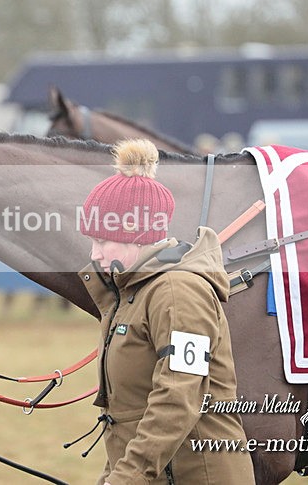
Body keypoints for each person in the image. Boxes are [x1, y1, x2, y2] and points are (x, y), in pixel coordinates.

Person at [76, 139, 254, 484]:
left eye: (102, 241)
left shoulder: (177, 292)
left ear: (134, 235)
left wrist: (125, 477)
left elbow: (178, 396)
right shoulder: (134, 293)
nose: (94, 255)